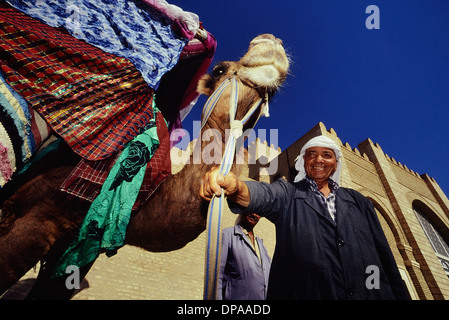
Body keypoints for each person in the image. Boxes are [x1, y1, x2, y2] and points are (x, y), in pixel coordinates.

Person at [200, 135, 410, 300]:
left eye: (326, 155)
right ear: (303, 162)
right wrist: (237, 187)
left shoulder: (358, 201)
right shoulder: (288, 193)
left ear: (335, 163)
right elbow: (265, 195)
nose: (319, 159)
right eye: (312, 155)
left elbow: (384, 261)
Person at [217, 212, 271, 300]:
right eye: (252, 209)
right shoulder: (227, 235)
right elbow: (217, 276)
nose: (255, 215)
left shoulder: (261, 245)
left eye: (259, 213)